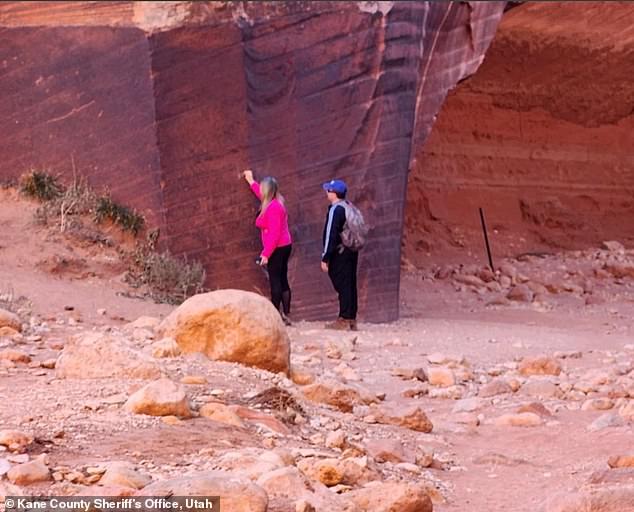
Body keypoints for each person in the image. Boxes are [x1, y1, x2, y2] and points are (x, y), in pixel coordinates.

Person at [243, 169, 293, 325]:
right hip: (284, 245)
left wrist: (265, 254)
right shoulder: (274, 201)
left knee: (275, 280)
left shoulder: (273, 208)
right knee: (282, 278)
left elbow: (274, 234)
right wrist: (250, 180)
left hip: (277, 248)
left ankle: (277, 315)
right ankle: (285, 314)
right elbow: (260, 193)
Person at [321, 179, 358, 331]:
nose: (326, 192)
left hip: (339, 252)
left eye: (328, 190)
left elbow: (331, 234)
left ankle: (343, 318)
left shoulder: (335, 210)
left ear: (333, 193)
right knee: (350, 283)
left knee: (341, 284)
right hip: (351, 250)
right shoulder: (349, 206)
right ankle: (351, 318)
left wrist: (325, 257)